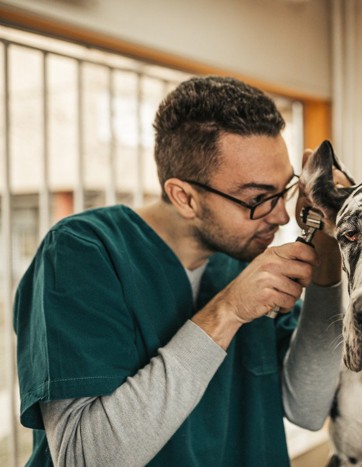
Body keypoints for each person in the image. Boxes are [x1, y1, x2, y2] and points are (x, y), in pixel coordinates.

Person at [14, 76, 345, 466]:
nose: (281, 214)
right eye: (258, 199)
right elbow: (84, 458)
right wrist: (227, 312)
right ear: (184, 197)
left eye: (284, 189)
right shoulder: (82, 253)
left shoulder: (241, 254)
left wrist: (328, 255)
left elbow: (307, 408)